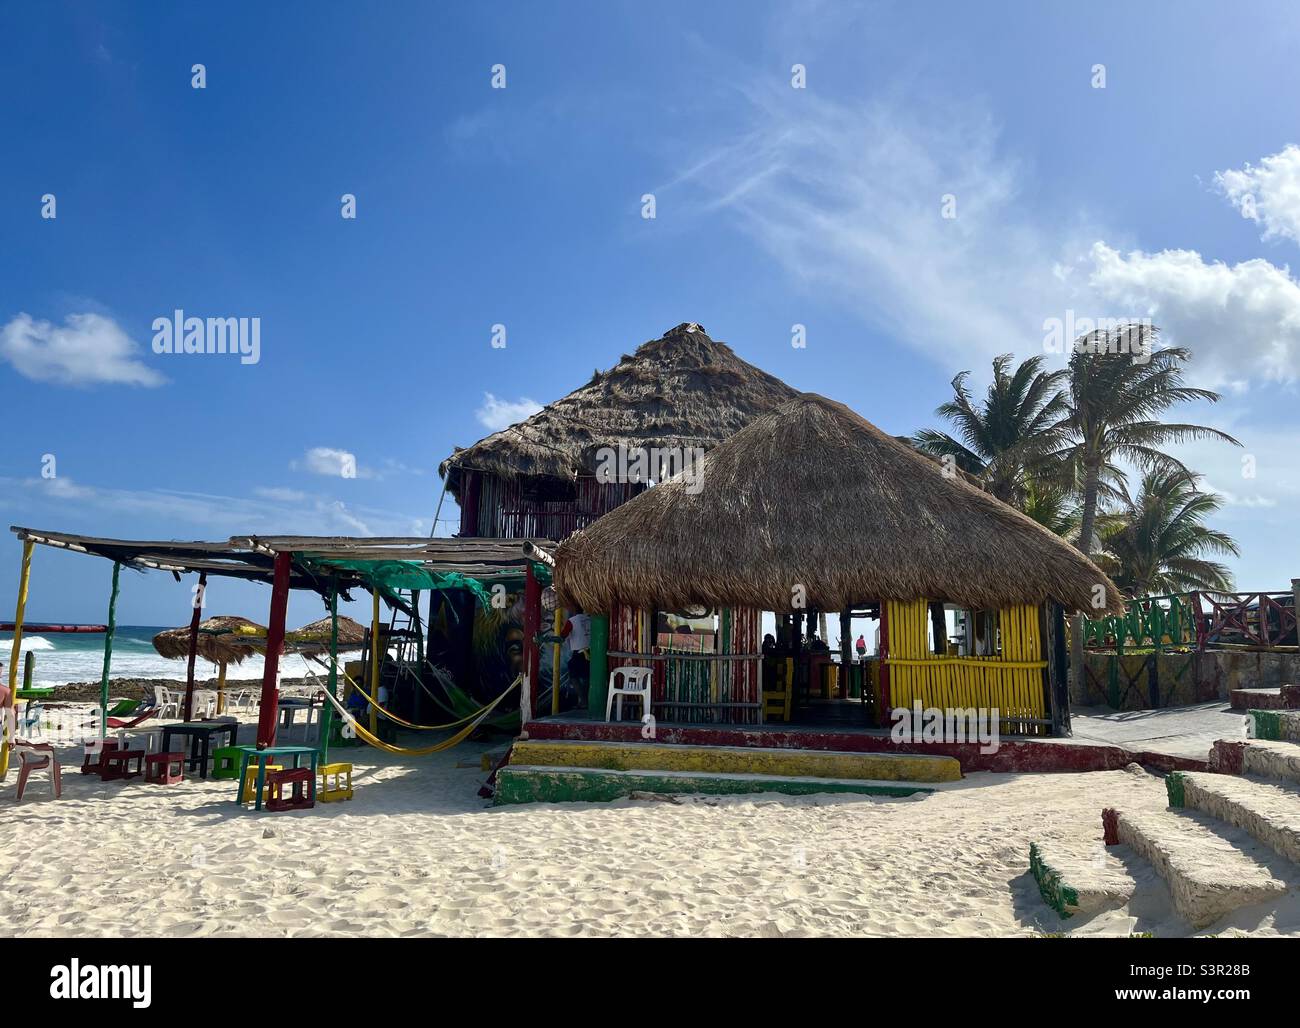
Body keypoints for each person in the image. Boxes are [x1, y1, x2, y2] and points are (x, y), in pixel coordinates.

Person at [561, 607, 592, 708]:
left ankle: (583, 701)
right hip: (590, 652)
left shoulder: (572, 621)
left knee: (573, 676)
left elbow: (563, 636)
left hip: (578, 653)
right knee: (587, 677)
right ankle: (584, 700)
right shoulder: (590, 619)